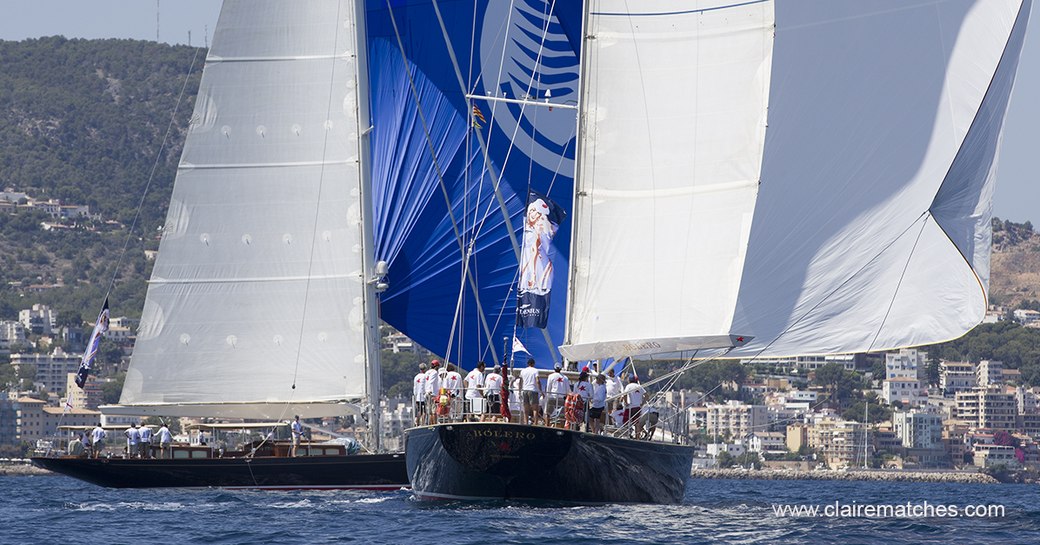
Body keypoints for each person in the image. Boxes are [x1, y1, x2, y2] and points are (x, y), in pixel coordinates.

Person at [519, 358, 543, 425]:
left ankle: (526, 423)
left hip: (525, 390)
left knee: (526, 409)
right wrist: (541, 391)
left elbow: (520, 382)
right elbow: (537, 381)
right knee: (535, 409)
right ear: (533, 364)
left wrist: (519, 391)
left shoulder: (523, 371)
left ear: (528, 364)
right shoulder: (535, 371)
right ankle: (535, 423)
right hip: (533, 390)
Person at [425, 360, 442, 425]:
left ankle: (430, 424)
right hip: (432, 393)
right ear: (436, 366)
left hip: (427, 393)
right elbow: (431, 382)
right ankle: (434, 424)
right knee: (434, 411)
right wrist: (430, 391)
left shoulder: (427, 372)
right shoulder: (434, 372)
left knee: (429, 411)